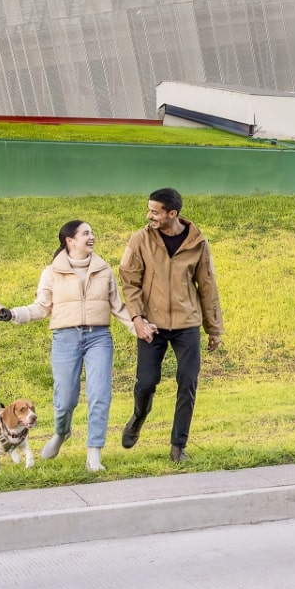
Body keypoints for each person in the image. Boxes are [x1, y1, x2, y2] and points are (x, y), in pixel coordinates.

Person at [0, 220, 134, 472]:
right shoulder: (51, 272)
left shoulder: (103, 269)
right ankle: (61, 433)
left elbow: (118, 307)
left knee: (100, 395)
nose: (92, 236)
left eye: (92, 232)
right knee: (65, 399)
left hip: (99, 337)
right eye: (86, 233)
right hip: (65, 338)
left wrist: (138, 328)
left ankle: (94, 455)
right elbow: (41, 307)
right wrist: (11, 314)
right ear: (70, 240)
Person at [118, 188, 223, 462]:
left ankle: (178, 446)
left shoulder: (198, 243)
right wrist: (137, 318)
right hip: (151, 324)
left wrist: (214, 328)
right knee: (146, 383)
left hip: (187, 323)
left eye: (155, 211)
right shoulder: (140, 239)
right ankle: (138, 417)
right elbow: (129, 282)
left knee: (187, 382)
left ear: (171, 214)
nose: (149, 215)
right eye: (149, 209)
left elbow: (208, 286)